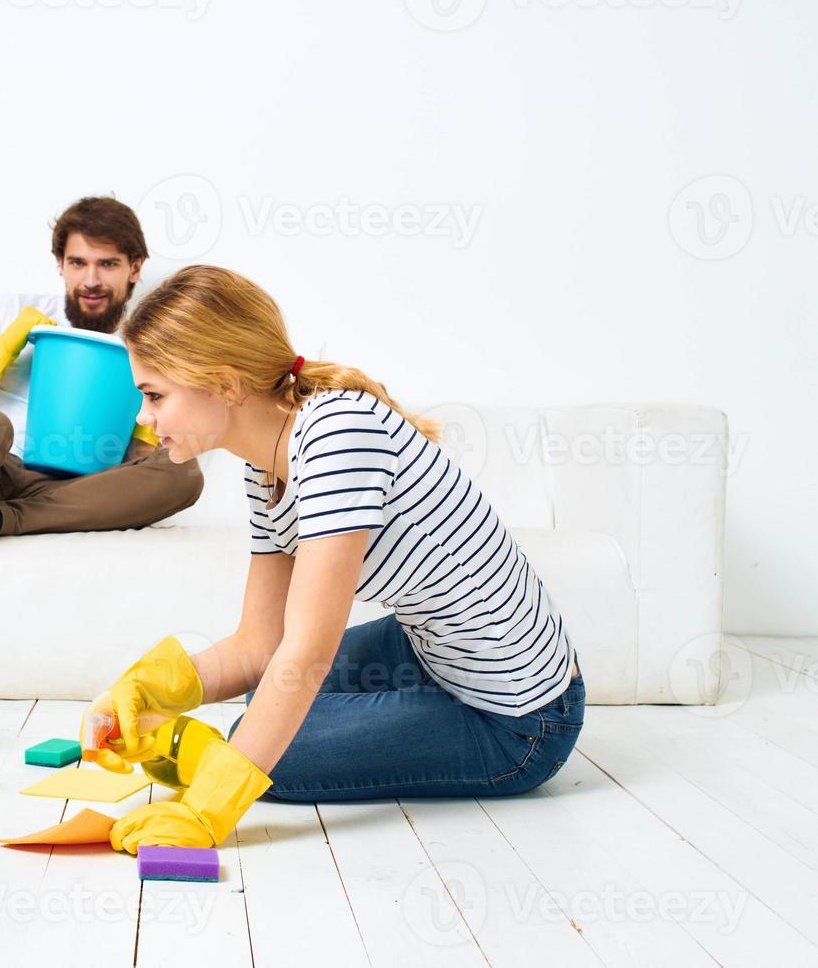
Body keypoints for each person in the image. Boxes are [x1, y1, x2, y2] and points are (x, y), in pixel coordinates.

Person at [88, 265, 585, 854]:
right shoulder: (264, 465)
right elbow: (259, 645)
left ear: (223, 382)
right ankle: (211, 749)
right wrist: (152, 689)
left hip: (518, 721)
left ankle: (200, 758)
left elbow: (307, 651)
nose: (145, 420)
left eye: (154, 395)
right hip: (427, 651)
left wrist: (209, 809)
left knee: (279, 752)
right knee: (265, 703)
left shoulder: (336, 436)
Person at [0, 198, 205, 722]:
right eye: (78, 263)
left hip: (55, 486)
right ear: (60, 265)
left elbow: (144, 467)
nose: (91, 280)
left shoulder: (145, 342)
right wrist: (8, 345)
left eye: (108, 264)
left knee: (183, 474)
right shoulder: (10, 311)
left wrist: (143, 396)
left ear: (135, 268)